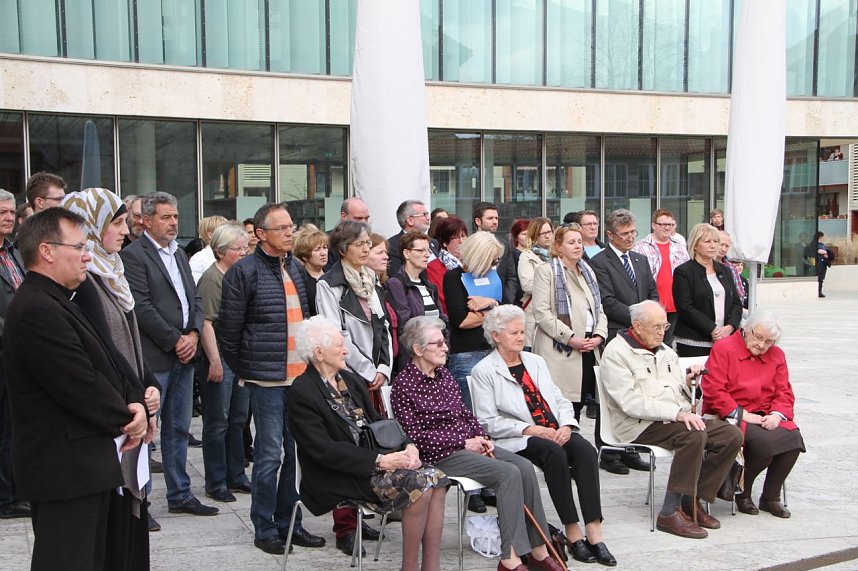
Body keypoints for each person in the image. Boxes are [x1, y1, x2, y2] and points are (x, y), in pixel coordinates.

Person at [4, 207, 149, 570]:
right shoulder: (37, 308)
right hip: (63, 470)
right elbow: (79, 382)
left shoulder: (61, 299)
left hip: (83, 466)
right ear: (47, 251)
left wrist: (136, 397)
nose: (87, 255)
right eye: (80, 247)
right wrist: (127, 417)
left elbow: (109, 358)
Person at [391, 316, 566, 571]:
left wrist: (481, 437)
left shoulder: (443, 374)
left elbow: (466, 413)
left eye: (444, 342)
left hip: (468, 445)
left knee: (524, 468)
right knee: (507, 473)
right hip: (440, 454)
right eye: (438, 344)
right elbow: (415, 436)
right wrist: (464, 441)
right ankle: (510, 558)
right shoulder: (404, 385)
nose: (445, 348)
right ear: (418, 349)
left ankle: (538, 550)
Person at [287, 316, 449, 571]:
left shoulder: (349, 381)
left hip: (371, 465)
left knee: (437, 479)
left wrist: (408, 445)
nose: (346, 350)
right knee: (420, 484)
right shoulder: (303, 391)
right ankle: (409, 567)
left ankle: (431, 566)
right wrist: (380, 461)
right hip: (336, 475)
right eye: (339, 345)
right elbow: (323, 450)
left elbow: (379, 422)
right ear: (319, 353)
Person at [472, 305, 616, 566]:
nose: (521, 337)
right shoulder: (484, 370)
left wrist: (567, 425)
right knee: (554, 453)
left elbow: (558, 399)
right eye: (514, 333)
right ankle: (572, 530)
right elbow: (487, 422)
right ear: (496, 336)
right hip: (520, 436)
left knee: (585, 451)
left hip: (553, 428)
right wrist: (531, 429)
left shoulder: (535, 361)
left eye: (522, 331)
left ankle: (594, 531)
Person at [218, 203, 325, 554]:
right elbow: (228, 332)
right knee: (269, 455)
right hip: (266, 381)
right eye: (281, 228)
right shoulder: (244, 272)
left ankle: (290, 523)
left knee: (295, 455)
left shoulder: (295, 267)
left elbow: (305, 319)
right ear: (261, 234)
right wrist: (249, 369)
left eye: (291, 226)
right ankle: (264, 528)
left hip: (300, 378)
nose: (289, 232)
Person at [62, 187, 162, 540]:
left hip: (130, 402)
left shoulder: (112, 271)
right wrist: (134, 397)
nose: (125, 230)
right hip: (111, 417)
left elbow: (130, 343)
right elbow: (102, 354)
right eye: (116, 223)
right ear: (89, 227)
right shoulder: (83, 282)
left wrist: (149, 384)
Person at [599, 300, 743, 539]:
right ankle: (669, 511)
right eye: (656, 327)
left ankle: (692, 499)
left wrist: (689, 384)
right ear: (637, 326)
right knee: (693, 434)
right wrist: (676, 414)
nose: (662, 332)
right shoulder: (617, 352)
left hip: (674, 419)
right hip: (637, 424)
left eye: (664, 326)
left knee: (731, 435)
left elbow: (678, 392)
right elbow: (630, 402)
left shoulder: (665, 351)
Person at [120, 192, 219, 518]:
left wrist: (193, 334)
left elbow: (194, 299)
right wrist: (176, 340)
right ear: (146, 221)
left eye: (175, 216)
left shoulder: (178, 253)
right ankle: (141, 501)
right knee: (146, 432)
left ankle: (180, 493)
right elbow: (141, 307)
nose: (173, 222)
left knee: (179, 428)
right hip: (156, 357)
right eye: (166, 217)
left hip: (184, 355)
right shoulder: (134, 256)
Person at [703, 311, 805, 519]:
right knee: (765, 443)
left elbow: (784, 391)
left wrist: (777, 415)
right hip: (731, 414)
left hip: (766, 413)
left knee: (793, 439)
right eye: (758, 337)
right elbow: (713, 389)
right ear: (746, 330)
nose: (762, 345)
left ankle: (770, 497)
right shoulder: (724, 348)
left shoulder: (777, 355)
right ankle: (743, 491)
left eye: (769, 341)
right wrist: (743, 415)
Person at [196, 223, 251, 504]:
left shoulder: (239, 275)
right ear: (220, 251)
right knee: (218, 422)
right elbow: (206, 323)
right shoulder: (211, 279)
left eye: (245, 248)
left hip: (239, 359)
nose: (243, 253)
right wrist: (215, 362)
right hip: (220, 357)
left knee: (238, 419)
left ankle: (236, 474)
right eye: (237, 249)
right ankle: (216, 481)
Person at [530, 223, 607, 426]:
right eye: (571, 242)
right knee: (563, 408)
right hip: (561, 349)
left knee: (582, 402)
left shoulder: (588, 271)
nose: (577, 246)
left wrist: (599, 336)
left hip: (589, 347)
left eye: (580, 242)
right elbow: (542, 313)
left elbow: (599, 309)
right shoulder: (546, 271)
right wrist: (570, 339)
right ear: (558, 246)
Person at [443, 231, 505, 410]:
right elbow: (462, 320)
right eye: (491, 261)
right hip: (467, 354)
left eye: (496, 261)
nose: (493, 266)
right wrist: (496, 312)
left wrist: (491, 303)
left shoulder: (494, 277)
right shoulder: (454, 277)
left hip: (494, 351)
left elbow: (508, 312)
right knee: (471, 412)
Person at [588, 209, 658, 343]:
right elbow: (607, 302)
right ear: (610, 235)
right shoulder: (599, 262)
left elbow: (652, 292)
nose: (630, 237)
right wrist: (639, 319)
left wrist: (649, 317)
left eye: (633, 232)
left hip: (646, 331)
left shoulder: (641, 260)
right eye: (624, 234)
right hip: (619, 332)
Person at [672, 223, 742, 358]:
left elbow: (736, 302)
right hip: (694, 342)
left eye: (716, 241)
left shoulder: (725, 270)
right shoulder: (684, 272)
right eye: (707, 241)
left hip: (726, 340)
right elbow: (685, 307)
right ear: (695, 245)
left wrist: (730, 327)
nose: (713, 245)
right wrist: (712, 329)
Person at [0, 190, 27, 520]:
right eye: (1, 213)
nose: (8, 217)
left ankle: (17, 490)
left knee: (16, 427)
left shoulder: (14, 251)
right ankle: (6, 498)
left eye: (10, 212)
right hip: (6, 350)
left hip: (21, 354)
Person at [386, 232, 448, 371]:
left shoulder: (429, 285)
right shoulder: (396, 283)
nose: (426, 255)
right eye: (420, 251)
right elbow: (405, 324)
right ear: (406, 253)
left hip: (435, 356)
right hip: (414, 358)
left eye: (428, 251)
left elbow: (442, 319)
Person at [632, 208, 690, 344]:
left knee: (669, 344)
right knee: (651, 342)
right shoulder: (640, 247)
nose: (667, 228)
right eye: (663, 224)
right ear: (653, 225)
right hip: (652, 305)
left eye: (670, 224)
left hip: (677, 305)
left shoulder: (679, 246)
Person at [474, 201, 521, 305]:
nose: (495, 222)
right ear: (478, 221)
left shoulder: (504, 245)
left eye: (496, 218)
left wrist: (505, 302)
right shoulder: (471, 246)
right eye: (490, 218)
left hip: (501, 305)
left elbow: (511, 277)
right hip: (476, 304)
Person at [518, 217, 553, 349]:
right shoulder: (527, 255)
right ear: (534, 235)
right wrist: (552, 284)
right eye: (542, 234)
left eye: (549, 232)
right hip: (535, 312)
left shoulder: (557, 255)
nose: (547, 236)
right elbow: (527, 285)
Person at [425, 215, 467, 313]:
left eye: (463, 236)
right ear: (444, 242)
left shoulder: (470, 264)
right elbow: (443, 300)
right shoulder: (434, 267)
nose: (461, 241)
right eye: (455, 238)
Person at [325, 197, 371, 270]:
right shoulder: (326, 242)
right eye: (358, 218)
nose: (363, 222)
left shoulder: (370, 239)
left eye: (366, 218)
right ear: (344, 216)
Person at [292, 223, 329, 315]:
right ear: (304, 256)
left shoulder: (333, 276)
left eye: (325, 248)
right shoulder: (300, 281)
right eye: (317, 249)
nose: (323, 253)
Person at [387, 200, 430, 276]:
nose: (428, 218)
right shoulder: (393, 245)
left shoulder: (434, 243)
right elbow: (397, 276)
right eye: (424, 214)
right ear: (410, 220)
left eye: (427, 214)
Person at [189, 215, 228, 284]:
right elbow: (195, 285)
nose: (228, 234)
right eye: (223, 231)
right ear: (210, 235)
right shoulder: (198, 259)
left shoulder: (229, 254)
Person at [716, 231, 747, 307]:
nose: (723, 249)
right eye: (721, 244)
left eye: (727, 246)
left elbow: (740, 293)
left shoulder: (731, 267)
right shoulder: (704, 265)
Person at [806, 231, 834, 298]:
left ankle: (819, 291)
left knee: (821, 278)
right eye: (822, 237)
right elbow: (818, 251)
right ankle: (815, 291)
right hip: (817, 264)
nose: (823, 238)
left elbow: (826, 252)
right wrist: (825, 252)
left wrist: (826, 253)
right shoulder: (814, 244)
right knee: (817, 278)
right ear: (820, 237)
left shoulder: (822, 245)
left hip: (823, 264)